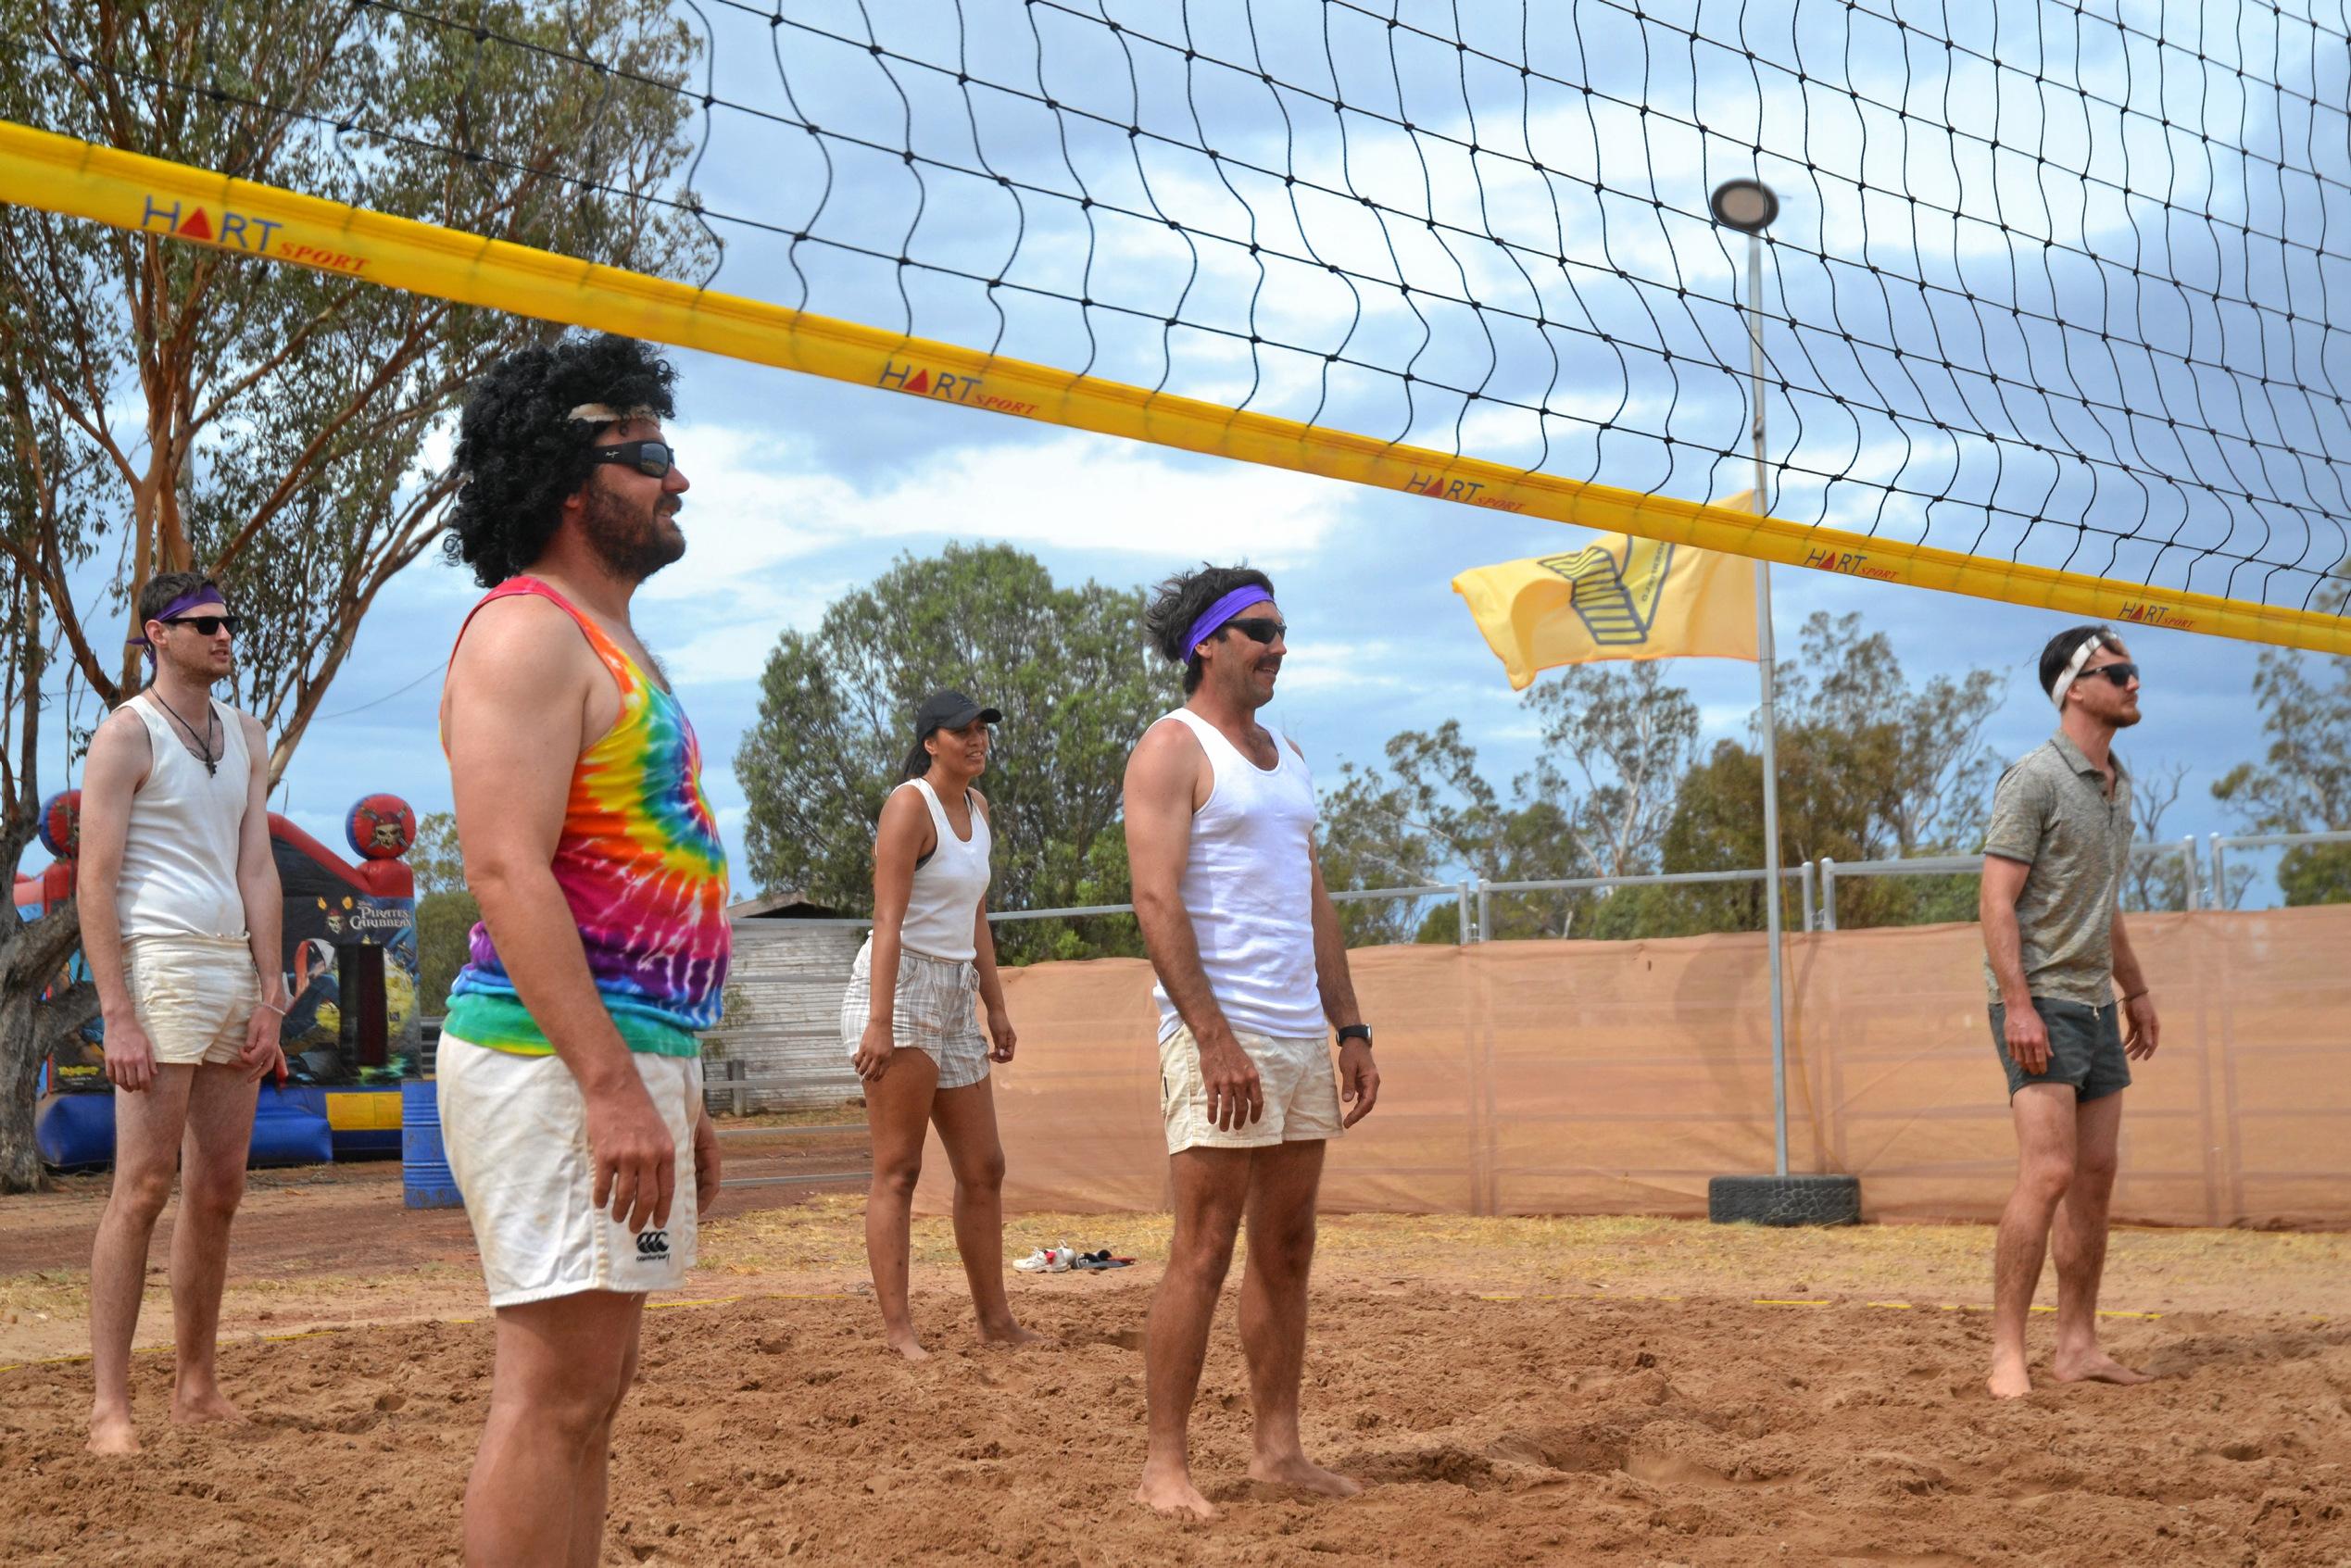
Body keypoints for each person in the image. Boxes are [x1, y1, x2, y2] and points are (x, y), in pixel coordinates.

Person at [436, 332, 728, 1566]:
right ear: (572, 478)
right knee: (551, 1396)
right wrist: (611, 1083)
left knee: (591, 1399)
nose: (676, 479)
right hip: (549, 1062)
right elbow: (503, 869)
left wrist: (672, 1085)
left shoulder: (605, 641)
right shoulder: (526, 632)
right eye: (647, 453)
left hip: (615, 1057)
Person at [1121, 564, 1382, 1519]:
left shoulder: (1290, 754)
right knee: (1202, 1247)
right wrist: (1212, 1035)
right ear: (1209, 643)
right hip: (1215, 1035)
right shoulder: (1171, 749)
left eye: (1283, 630)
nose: (1280, 645)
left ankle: (1278, 1451)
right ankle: (1164, 1464)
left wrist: (1348, 1026)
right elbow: (1155, 900)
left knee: (1289, 1246)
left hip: (1294, 1036)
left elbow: (1311, 901)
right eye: (1261, 629)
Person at [75, 571, 287, 1455]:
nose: (225, 635)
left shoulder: (246, 734)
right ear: (156, 636)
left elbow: (259, 869)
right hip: (156, 965)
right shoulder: (125, 735)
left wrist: (272, 993)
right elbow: (94, 877)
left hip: (231, 969)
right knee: (144, 1185)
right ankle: (108, 1408)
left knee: (219, 1188)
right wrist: (115, 1010)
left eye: (230, 622)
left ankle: (196, 1386)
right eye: (205, 624)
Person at [1980, 624, 2160, 1399]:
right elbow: (1995, 900)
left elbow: (2103, 907)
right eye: (2119, 671)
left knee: (2095, 1175)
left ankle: (2078, 1345)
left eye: (2133, 671)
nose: (2133, 682)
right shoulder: (2035, 779)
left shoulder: (2116, 786)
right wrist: (2018, 1004)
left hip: (2092, 1001)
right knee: (2049, 1170)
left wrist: (2138, 989)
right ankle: (2006, 1355)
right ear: (2075, 688)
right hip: (2041, 1001)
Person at [843, 690, 1034, 1360]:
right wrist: (879, 1020)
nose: (977, 740)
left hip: (954, 991)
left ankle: (996, 1321)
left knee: (984, 1165)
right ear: (931, 742)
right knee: (898, 1166)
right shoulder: (908, 806)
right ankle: (899, 1331)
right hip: (903, 987)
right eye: (963, 731)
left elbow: (973, 916)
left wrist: (996, 1003)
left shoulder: (978, 809)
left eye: (982, 729)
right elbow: (888, 920)